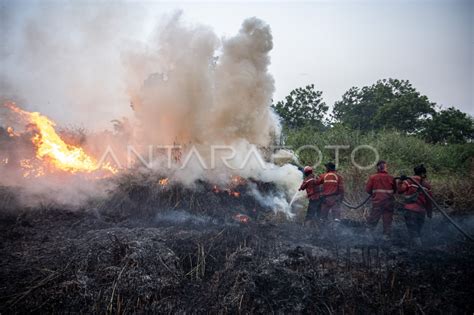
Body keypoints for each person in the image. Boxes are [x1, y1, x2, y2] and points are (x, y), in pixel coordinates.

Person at [398, 164, 433, 246]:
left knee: (413, 232)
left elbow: (400, 190)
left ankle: (418, 249)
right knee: (417, 231)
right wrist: (429, 213)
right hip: (421, 212)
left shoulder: (409, 181)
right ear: (423, 174)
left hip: (410, 211)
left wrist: (400, 181)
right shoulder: (427, 185)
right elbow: (429, 201)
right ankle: (414, 247)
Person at [365, 160, 397, 241]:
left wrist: (374, 194)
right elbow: (395, 191)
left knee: (373, 220)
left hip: (377, 203)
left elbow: (368, 190)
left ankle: (368, 238)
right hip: (388, 203)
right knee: (387, 222)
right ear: (385, 167)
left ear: (378, 168)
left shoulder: (373, 177)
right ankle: (386, 238)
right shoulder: (391, 178)